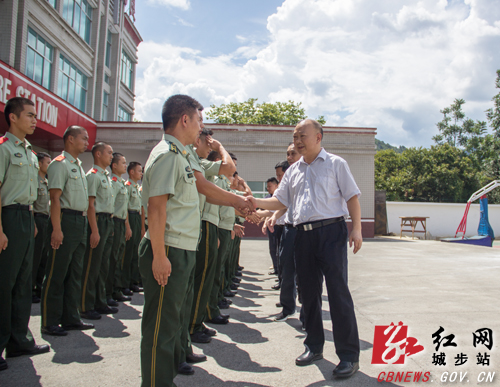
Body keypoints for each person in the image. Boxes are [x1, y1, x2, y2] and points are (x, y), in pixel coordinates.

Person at [252, 119, 363, 379]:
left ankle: (348, 356)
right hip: (302, 235)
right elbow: (280, 200)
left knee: (338, 293)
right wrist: (254, 202)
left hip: (331, 233)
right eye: (294, 136)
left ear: (318, 137)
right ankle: (313, 346)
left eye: (302, 135)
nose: (298, 141)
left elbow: (352, 197)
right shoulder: (293, 170)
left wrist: (356, 228)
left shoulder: (336, 164)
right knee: (308, 295)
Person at [139, 94, 206, 387]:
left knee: (170, 322)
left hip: (179, 247)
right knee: (160, 328)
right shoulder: (168, 154)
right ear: (185, 120)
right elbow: (156, 208)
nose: (201, 127)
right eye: (199, 120)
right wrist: (159, 255)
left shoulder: (179, 155)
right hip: (167, 248)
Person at [0, 97, 49, 371]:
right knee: (3, 284)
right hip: (7, 217)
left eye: (35, 115)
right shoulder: (4, 149)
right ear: (13, 118)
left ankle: (19, 339)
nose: (34, 120)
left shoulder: (30, 153)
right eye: (29, 115)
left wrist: (30, 219)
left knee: (22, 282)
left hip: (25, 217)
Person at [41, 126, 94, 336]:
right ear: (70, 139)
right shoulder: (59, 165)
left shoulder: (79, 166)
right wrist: (56, 229)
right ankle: (50, 320)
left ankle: (71, 318)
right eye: (84, 138)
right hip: (64, 219)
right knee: (56, 272)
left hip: (79, 222)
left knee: (75, 273)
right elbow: (55, 199)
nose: (86, 141)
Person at [80, 142, 117, 319]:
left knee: (103, 265)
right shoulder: (93, 176)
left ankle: (99, 301)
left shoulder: (106, 176)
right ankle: (86, 305)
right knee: (92, 265)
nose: (111, 156)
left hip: (108, 221)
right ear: (98, 155)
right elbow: (90, 205)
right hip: (98, 221)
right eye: (108, 153)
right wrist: (94, 230)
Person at [266, 143, 302, 322]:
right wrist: (273, 216)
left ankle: (307, 312)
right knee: (286, 269)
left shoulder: (309, 173)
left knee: (305, 273)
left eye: (292, 153)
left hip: (305, 229)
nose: (289, 156)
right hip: (289, 228)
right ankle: (288, 308)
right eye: (287, 153)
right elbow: (282, 202)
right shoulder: (289, 178)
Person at [107, 153, 132, 304]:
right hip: (114, 222)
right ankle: (108, 292)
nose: (125, 165)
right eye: (123, 163)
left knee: (119, 257)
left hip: (122, 222)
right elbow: (111, 207)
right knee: (112, 258)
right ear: (114, 166)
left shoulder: (122, 183)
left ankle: (116, 289)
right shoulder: (113, 183)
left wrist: (127, 226)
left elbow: (125, 208)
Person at [31, 151, 51, 303]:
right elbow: (31, 203)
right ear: (39, 164)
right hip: (37, 219)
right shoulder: (35, 181)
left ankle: (39, 287)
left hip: (47, 220)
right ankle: (30, 288)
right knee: (35, 257)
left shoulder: (47, 182)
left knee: (44, 257)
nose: (49, 166)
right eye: (47, 163)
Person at [123, 161, 143, 293]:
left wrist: (142, 228)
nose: (141, 174)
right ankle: (125, 282)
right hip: (129, 217)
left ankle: (133, 280)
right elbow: (124, 208)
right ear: (131, 172)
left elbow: (141, 209)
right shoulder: (128, 186)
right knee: (128, 253)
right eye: (139, 171)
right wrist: (128, 226)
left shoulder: (137, 187)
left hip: (137, 217)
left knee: (136, 251)